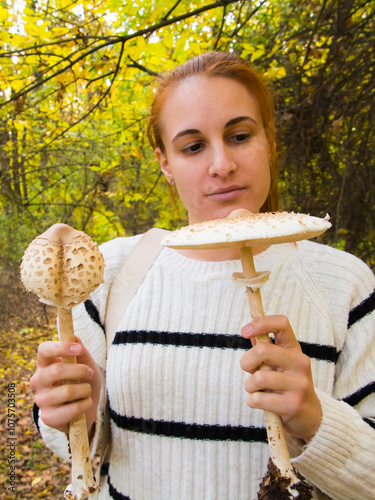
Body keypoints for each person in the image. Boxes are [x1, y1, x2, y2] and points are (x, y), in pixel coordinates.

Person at [30, 51, 375, 500]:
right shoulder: (110, 271)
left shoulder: (345, 284)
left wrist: (314, 418)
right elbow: (71, 445)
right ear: (165, 163)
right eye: (192, 146)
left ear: (269, 140)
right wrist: (74, 410)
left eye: (239, 135)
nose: (222, 165)